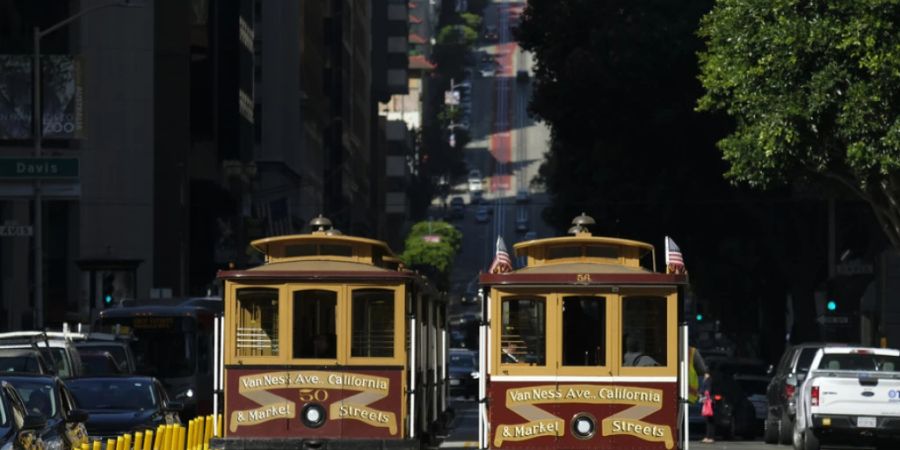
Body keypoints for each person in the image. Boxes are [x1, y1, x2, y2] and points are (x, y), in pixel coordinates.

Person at [701, 373, 716, 443]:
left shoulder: (708, 380)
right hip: (710, 401)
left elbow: (707, 390)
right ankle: (709, 436)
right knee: (709, 420)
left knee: (709, 420)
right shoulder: (710, 380)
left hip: (708, 401)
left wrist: (704, 398)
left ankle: (710, 437)